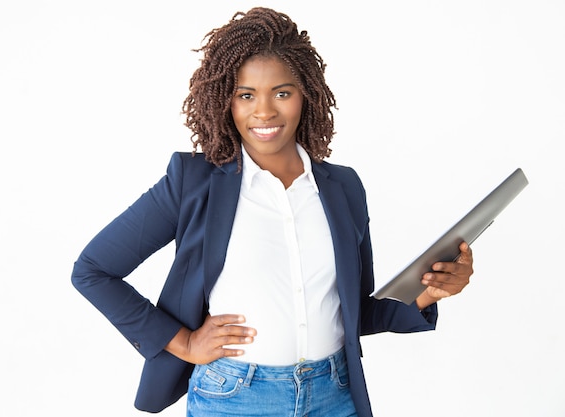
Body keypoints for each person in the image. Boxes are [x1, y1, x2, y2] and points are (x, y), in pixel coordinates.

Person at [71, 7, 473, 417]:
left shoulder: (343, 188)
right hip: (234, 398)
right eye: (246, 95)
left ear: (306, 96)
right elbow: (93, 270)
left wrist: (429, 293)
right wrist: (184, 342)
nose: (264, 112)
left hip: (334, 395)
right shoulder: (193, 182)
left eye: (282, 93)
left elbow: (355, 312)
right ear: (225, 100)